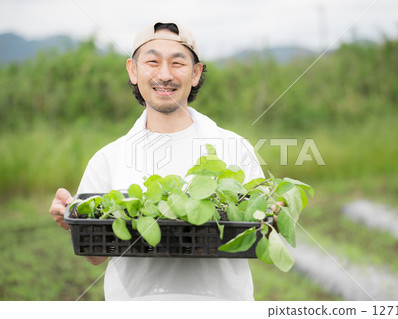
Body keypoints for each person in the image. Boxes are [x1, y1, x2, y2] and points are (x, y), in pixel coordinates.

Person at [49, 21, 275, 301]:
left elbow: (257, 237)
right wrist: (74, 221)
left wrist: (272, 216)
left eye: (177, 63)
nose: (164, 75)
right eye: (152, 62)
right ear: (133, 71)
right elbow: (96, 257)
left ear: (195, 73)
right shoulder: (108, 158)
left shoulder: (234, 148)